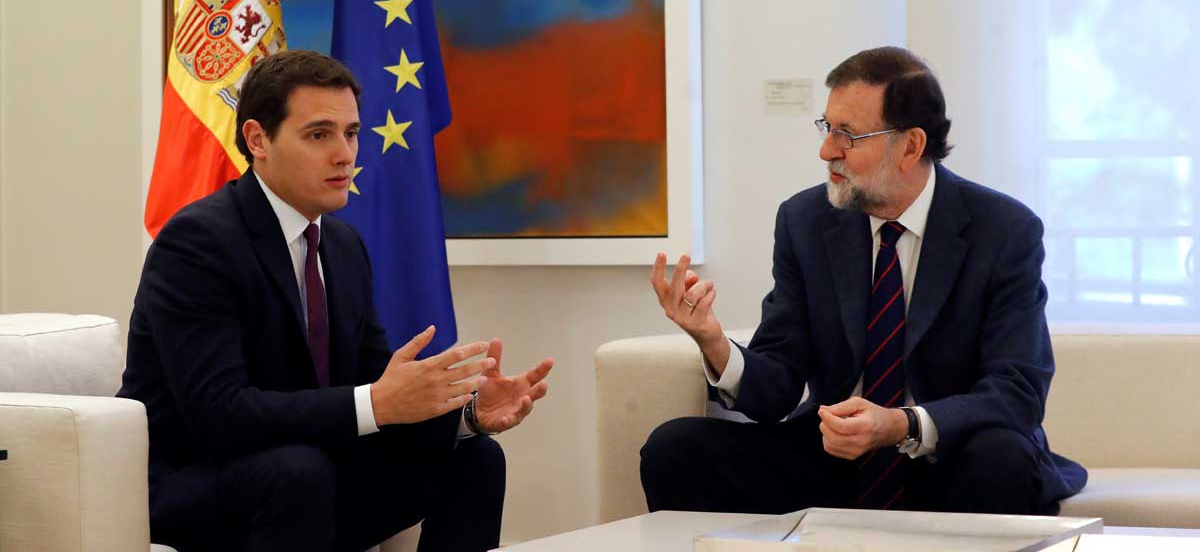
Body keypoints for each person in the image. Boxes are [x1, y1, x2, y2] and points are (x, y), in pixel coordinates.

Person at [119, 50, 553, 552]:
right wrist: (377, 402)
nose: (345, 154)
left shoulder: (344, 246)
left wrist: (465, 415)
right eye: (319, 134)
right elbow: (217, 413)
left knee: (474, 458)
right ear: (258, 139)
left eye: (350, 133)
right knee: (299, 472)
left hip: (304, 473)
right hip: (191, 479)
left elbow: (374, 385)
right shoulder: (197, 242)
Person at [642, 46, 1086, 516]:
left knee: (1001, 460)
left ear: (911, 146)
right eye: (827, 127)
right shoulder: (805, 221)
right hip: (835, 457)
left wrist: (901, 424)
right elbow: (779, 383)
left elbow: (1017, 390)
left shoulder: (1003, 230)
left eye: (848, 135)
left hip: (948, 455)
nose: (826, 150)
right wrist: (714, 343)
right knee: (676, 448)